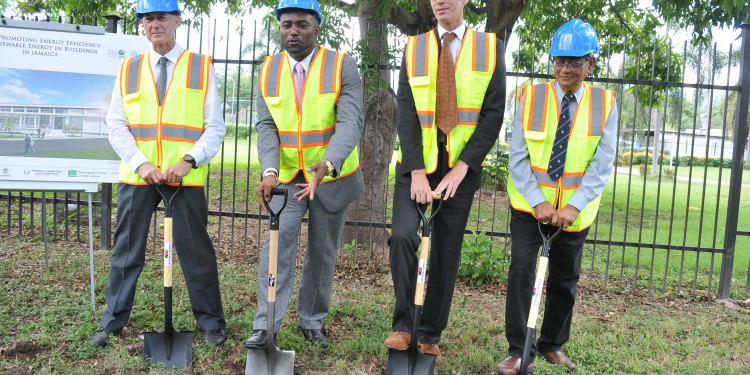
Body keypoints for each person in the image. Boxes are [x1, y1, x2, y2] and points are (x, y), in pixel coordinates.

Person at [91, 0, 227, 348]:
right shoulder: (129, 68)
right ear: (142, 25)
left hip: (185, 178)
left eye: (161, 17)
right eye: (148, 18)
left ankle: (211, 323)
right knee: (127, 252)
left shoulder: (200, 66)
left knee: (196, 252)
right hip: (139, 177)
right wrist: (142, 163)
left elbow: (214, 127)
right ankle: (112, 323)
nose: (154, 24)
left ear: (177, 20)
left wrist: (189, 161)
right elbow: (116, 125)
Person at [383, 0, 506, 365]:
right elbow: (405, 111)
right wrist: (417, 171)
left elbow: (494, 113)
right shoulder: (414, 47)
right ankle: (405, 324)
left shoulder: (490, 48)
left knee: (445, 250)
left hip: (459, 169)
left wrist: (463, 167)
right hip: (416, 166)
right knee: (404, 236)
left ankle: (430, 333)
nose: (440, 1)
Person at [496, 19, 618, 375]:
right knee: (522, 270)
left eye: (575, 61)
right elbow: (517, 158)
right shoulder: (529, 96)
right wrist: (540, 203)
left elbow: (602, 163)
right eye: (560, 60)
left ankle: (552, 344)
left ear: (590, 64)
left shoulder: (605, 102)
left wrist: (572, 207)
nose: (565, 68)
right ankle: (519, 350)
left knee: (565, 278)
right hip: (529, 206)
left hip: (575, 212)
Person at [243, 0, 364, 350]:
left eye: (302, 24)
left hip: (331, 176)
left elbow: (350, 121)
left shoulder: (342, 65)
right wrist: (268, 170)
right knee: (275, 249)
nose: (293, 31)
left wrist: (326, 164)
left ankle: (311, 320)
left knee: (322, 252)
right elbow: (266, 125)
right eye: (286, 25)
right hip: (285, 178)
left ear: (317, 28)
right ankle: (266, 326)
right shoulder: (268, 70)